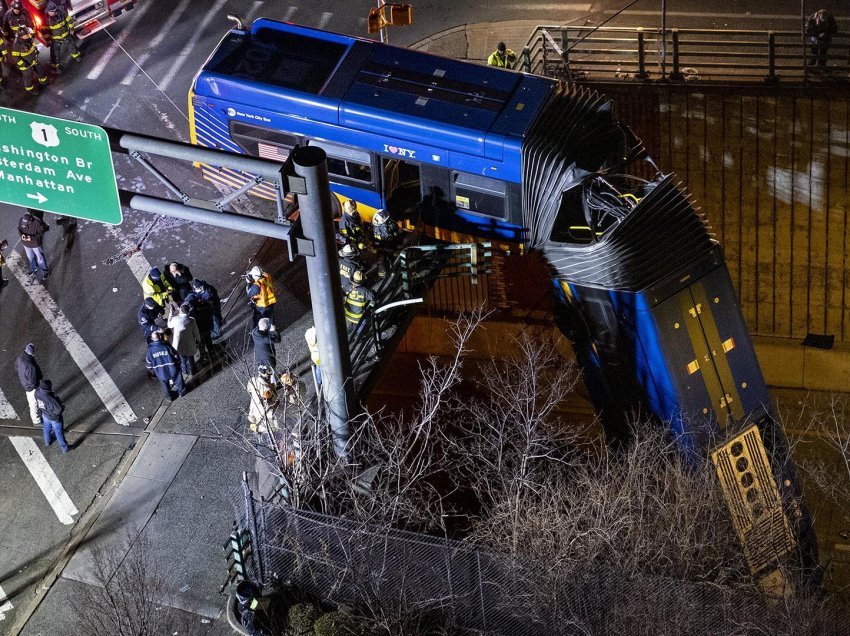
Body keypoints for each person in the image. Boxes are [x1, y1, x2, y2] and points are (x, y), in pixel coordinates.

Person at [145, 331, 185, 400]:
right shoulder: (166, 346)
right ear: (160, 337)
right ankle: (182, 392)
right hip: (172, 368)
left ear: (152, 339)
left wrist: (154, 372)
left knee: (164, 385)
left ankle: (169, 397)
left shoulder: (150, 350)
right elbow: (175, 355)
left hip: (160, 371)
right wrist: (178, 363)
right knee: (178, 380)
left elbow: (149, 364)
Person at [43, 1, 80, 72]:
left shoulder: (60, 11)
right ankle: (57, 67)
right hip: (55, 39)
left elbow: (68, 19)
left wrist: (71, 28)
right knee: (55, 53)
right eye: (52, 12)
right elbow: (45, 30)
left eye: (55, 11)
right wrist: (48, 40)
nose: (54, 13)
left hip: (65, 34)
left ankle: (77, 57)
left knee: (72, 46)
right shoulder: (46, 18)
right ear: (48, 11)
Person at [35, 379, 70, 452]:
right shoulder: (50, 397)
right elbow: (58, 410)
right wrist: (62, 406)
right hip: (54, 418)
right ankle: (65, 448)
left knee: (46, 428)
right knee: (59, 432)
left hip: (45, 414)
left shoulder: (37, 392)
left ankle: (47, 441)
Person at [168, 303, 201, 377]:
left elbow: (169, 325)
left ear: (181, 311)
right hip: (189, 342)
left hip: (179, 343)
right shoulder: (192, 320)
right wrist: (198, 340)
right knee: (190, 357)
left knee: (182, 358)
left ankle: (185, 370)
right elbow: (196, 331)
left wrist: (171, 314)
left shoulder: (175, 319)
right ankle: (193, 370)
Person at [12, 27, 46, 94]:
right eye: (26, 34)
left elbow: (33, 44)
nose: (28, 35)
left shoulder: (28, 38)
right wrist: (23, 64)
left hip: (33, 59)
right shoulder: (16, 44)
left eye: (28, 34)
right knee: (28, 77)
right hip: (25, 64)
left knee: (40, 70)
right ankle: (30, 89)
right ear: (21, 36)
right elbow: (15, 57)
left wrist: (35, 50)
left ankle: (44, 81)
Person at [14, 342, 42, 426]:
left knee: (34, 401)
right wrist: (36, 386)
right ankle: (36, 421)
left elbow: (16, 366)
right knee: (33, 403)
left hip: (25, 382)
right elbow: (33, 380)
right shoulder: (30, 366)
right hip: (31, 387)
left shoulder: (20, 357)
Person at [246, 366, 279, 434]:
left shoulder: (253, 381)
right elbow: (272, 413)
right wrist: (277, 427)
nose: (269, 378)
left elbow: (249, 388)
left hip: (256, 420)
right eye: (268, 376)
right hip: (267, 426)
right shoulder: (267, 392)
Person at [17, 210, 49, 279]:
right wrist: (21, 235)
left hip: (35, 244)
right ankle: (33, 269)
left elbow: (39, 235)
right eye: (23, 224)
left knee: (40, 259)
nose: (24, 226)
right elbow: (19, 229)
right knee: (30, 257)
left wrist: (30, 238)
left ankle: (45, 272)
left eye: (25, 225)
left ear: (30, 221)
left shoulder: (37, 223)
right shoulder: (21, 220)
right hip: (26, 244)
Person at [184, 291, 215, 361]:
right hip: (207, 326)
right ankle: (211, 351)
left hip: (200, 330)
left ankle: (203, 356)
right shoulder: (205, 305)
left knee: (201, 343)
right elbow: (211, 310)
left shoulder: (192, 312)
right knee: (208, 339)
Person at [344, 270, 375, 337]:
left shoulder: (347, 287)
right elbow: (372, 296)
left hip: (348, 315)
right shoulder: (364, 291)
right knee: (364, 321)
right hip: (358, 317)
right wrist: (372, 291)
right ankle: (358, 335)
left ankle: (351, 330)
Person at [371, 209, 400, 279]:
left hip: (390, 247)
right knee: (380, 262)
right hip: (380, 247)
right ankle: (382, 276)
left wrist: (399, 246)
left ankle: (395, 273)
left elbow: (398, 235)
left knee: (392, 259)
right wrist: (373, 245)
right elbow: (372, 235)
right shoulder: (374, 224)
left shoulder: (392, 225)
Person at [304, 325, 322, 392]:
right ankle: (320, 381)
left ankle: (319, 382)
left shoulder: (309, 335)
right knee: (320, 368)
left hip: (314, 356)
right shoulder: (318, 339)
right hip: (320, 356)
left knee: (318, 367)